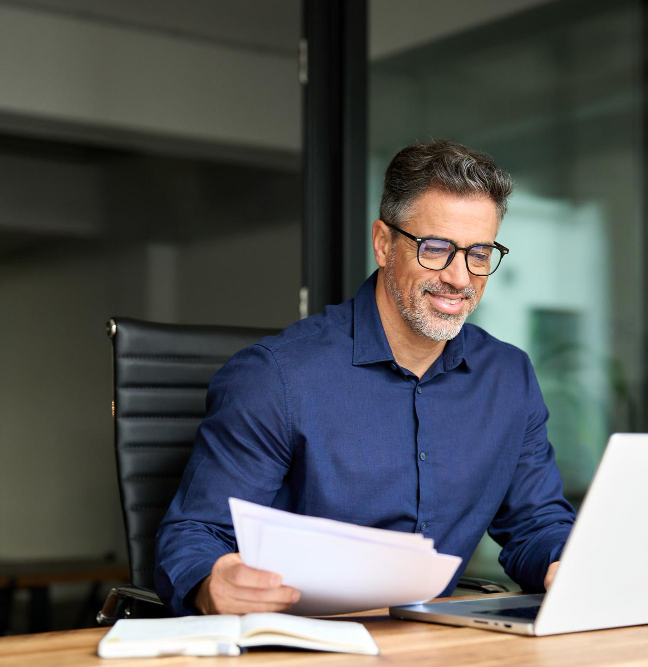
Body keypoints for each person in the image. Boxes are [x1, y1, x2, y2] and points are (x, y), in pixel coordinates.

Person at [155, 140, 576, 616]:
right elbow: (195, 533)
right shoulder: (276, 377)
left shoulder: (508, 378)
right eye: (436, 249)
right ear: (383, 243)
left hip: (438, 643)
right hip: (302, 641)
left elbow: (537, 525)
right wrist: (212, 583)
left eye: (479, 253)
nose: (460, 278)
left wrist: (564, 562)